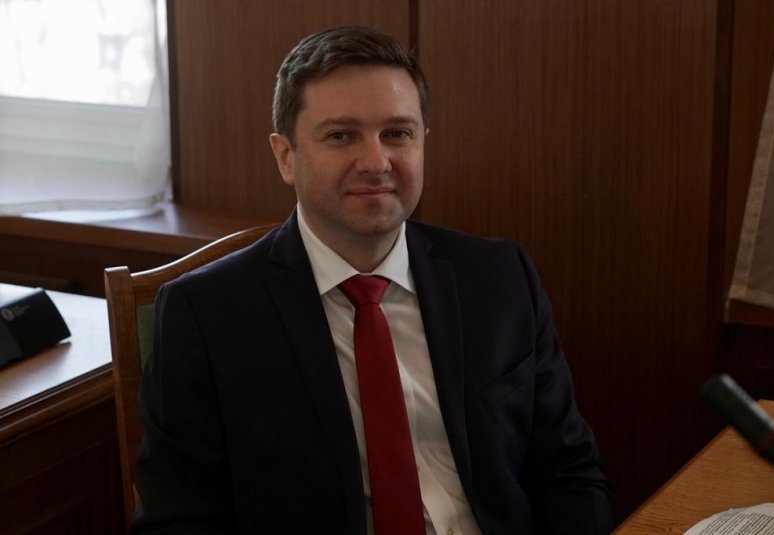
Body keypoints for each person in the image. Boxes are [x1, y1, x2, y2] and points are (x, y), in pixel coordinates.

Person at [132, 26, 613, 534]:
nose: (376, 162)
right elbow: (177, 522)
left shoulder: (499, 278)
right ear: (286, 157)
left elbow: (568, 471)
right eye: (341, 136)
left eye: (397, 134)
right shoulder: (206, 314)